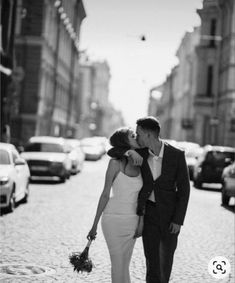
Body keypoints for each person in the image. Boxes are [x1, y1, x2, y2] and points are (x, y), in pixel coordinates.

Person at [108, 116, 190, 283]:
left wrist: (178, 220)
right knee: (151, 261)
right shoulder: (140, 153)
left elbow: (184, 190)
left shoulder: (177, 154)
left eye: (138, 134)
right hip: (149, 214)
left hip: (170, 218)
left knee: (165, 263)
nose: (136, 137)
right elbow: (112, 151)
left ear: (148, 135)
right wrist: (128, 151)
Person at [87, 127, 144, 283]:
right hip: (113, 220)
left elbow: (145, 197)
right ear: (125, 142)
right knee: (118, 264)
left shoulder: (142, 161)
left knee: (124, 265)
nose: (137, 137)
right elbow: (105, 194)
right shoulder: (114, 164)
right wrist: (94, 225)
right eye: (133, 136)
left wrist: (141, 222)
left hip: (132, 221)